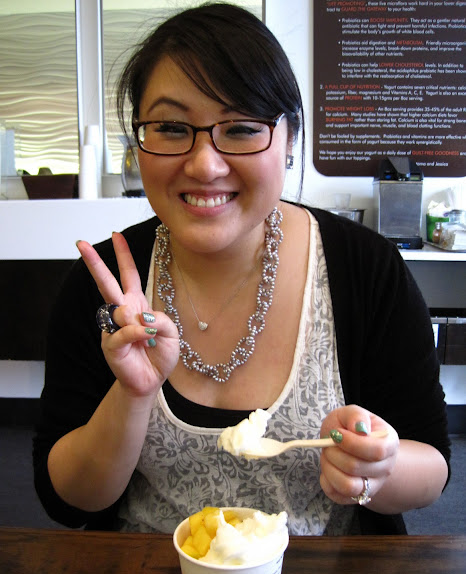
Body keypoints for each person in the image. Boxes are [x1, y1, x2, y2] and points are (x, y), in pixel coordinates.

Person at [33, 2, 450, 535]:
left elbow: (432, 467)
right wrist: (132, 396)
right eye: (170, 127)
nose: (205, 165)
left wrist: (377, 469)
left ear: (290, 140)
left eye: (241, 128)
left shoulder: (365, 268)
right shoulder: (105, 286)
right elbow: (70, 501)